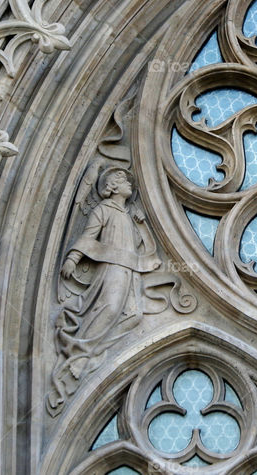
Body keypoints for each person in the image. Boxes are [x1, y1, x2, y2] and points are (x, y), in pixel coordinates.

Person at [48, 167, 162, 413]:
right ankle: (79, 355)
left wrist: (141, 225)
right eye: (124, 181)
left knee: (134, 317)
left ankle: (88, 355)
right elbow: (89, 236)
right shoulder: (103, 210)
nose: (130, 185)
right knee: (109, 309)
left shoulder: (131, 214)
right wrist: (73, 258)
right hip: (111, 268)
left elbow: (145, 248)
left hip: (129, 270)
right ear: (112, 186)